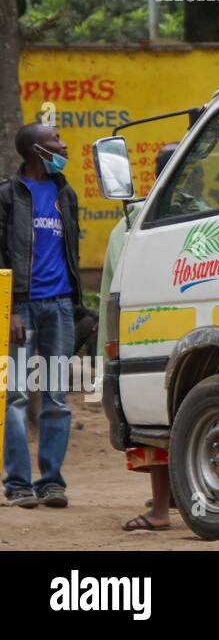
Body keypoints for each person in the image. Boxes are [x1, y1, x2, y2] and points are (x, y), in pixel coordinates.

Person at [0, 123, 82, 508]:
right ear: (36, 150)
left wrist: (77, 305)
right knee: (15, 396)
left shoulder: (65, 193)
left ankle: (51, 482)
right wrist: (12, 309)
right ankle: (17, 484)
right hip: (22, 310)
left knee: (56, 397)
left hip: (60, 307)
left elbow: (72, 255)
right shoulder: (7, 195)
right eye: (55, 141)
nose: (63, 145)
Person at [104, 143, 180, 531]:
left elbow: (116, 293)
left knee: (153, 422)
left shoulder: (134, 225)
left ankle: (160, 511)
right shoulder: (209, 217)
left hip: (147, 335)